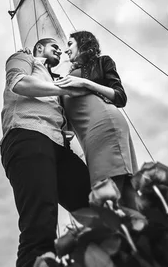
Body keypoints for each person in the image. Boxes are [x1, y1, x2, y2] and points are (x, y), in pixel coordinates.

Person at [0, 37, 92, 267]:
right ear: (39, 48)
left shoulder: (57, 80)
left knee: (98, 210)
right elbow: (18, 82)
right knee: (40, 227)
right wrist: (66, 88)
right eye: (55, 47)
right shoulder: (24, 58)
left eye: (62, 50)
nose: (60, 52)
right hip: (26, 135)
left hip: (59, 147)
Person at [54, 30, 139, 207]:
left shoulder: (102, 62)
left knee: (110, 194)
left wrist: (85, 83)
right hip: (89, 137)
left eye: (70, 44)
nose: (65, 50)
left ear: (83, 43)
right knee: (121, 196)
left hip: (106, 126)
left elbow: (120, 97)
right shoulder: (65, 77)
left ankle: (131, 232)